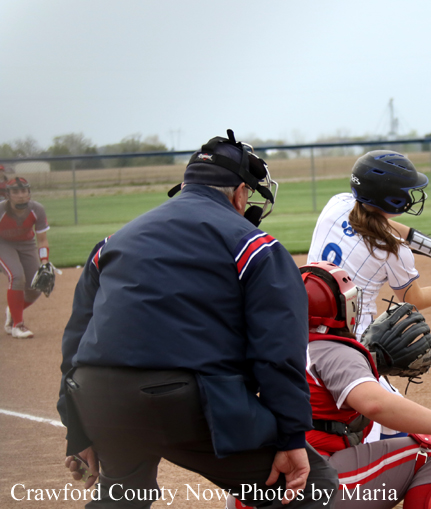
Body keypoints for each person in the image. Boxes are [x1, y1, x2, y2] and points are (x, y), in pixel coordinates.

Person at [57, 130, 337, 508]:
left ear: (187, 184)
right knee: (311, 487)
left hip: (95, 395)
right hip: (179, 400)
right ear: (240, 193)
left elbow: (75, 342)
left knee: (122, 497)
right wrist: (290, 437)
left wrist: (79, 428)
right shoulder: (255, 246)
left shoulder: (113, 242)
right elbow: (278, 352)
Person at [228, 262, 431, 509]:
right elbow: (375, 404)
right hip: (303, 488)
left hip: (252, 488)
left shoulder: (269, 346)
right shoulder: (333, 351)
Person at [306, 150, 431, 441]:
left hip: (303, 332)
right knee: (397, 430)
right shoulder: (392, 250)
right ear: (393, 200)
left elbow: (383, 225)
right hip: (350, 345)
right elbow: (414, 299)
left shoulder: (337, 204)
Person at [1, 177, 51, 338]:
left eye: (24, 191)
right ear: (7, 195)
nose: (21, 195)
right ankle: (18, 326)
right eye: (15, 191)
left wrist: (44, 262)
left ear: (29, 193)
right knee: (17, 276)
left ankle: (13, 311)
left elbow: (42, 239)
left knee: (36, 287)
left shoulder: (37, 209)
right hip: (3, 243)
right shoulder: (1, 210)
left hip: (26, 243)